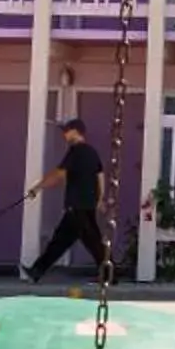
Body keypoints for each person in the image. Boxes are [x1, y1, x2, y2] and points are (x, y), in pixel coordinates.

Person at [22, 119, 111, 282]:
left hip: (77, 206)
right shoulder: (92, 152)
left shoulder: (76, 151)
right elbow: (100, 176)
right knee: (63, 241)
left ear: (76, 132)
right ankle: (36, 271)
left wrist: (37, 188)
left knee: (91, 243)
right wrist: (99, 199)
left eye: (66, 131)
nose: (64, 134)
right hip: (86, 205)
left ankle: (109, 276)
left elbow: (58, 174)